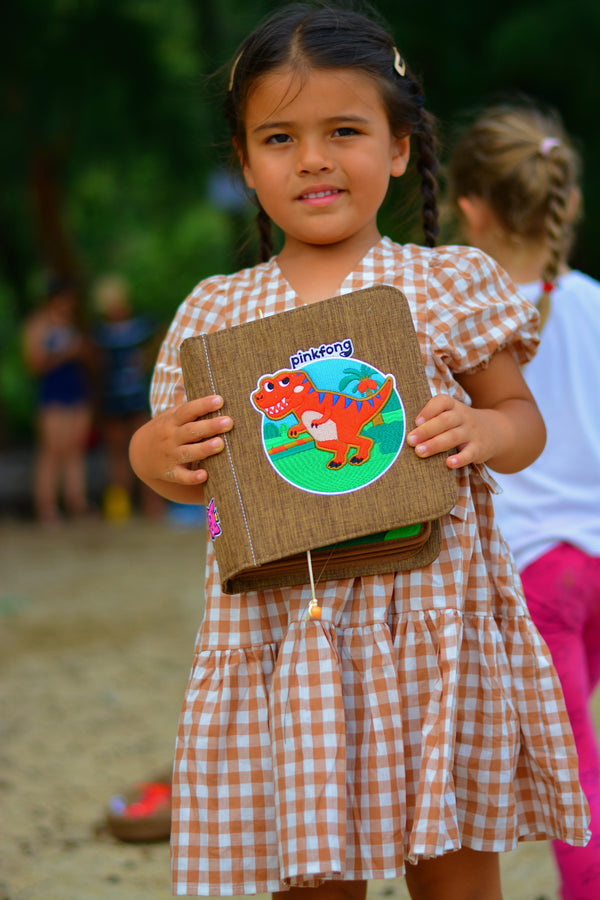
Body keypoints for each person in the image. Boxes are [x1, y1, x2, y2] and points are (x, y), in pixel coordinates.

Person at [129, 5, 590, 899]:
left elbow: (521, 422)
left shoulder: (447, 284)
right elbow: (187, 478)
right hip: (287, 635)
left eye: (345, 130)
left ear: (403, 147)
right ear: (244, 160)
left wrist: (484, 432)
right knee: (313, 873)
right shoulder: (214, 315)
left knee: (455, 868)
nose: (312, 158)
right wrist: (159, 450)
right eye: (279, 137)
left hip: (431, 631)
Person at [446, 101, 600, 900]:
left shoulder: (464, 319)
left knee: (575, 781)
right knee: (575, 756)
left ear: (470, 207)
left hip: (536, 576)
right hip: (597, 565)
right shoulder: (596, 304)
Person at [23, 274, 94, 525]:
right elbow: (34, 363)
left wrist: (82, 352)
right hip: (52, 394)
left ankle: (77, 502)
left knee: (75, 449)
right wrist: (66, 353)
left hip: (76, 391)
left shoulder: (71, 324)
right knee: (52, 451)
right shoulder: (38, 325)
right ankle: (47, 506)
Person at [92, 274, 164, 521]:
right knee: (117, 454)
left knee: (147, 451)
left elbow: (165, 335)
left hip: (137, 398)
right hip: (112, 400)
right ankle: (120, 508)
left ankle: (152, 504)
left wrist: (146, 358)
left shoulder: (141, 327)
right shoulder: (100, 335)